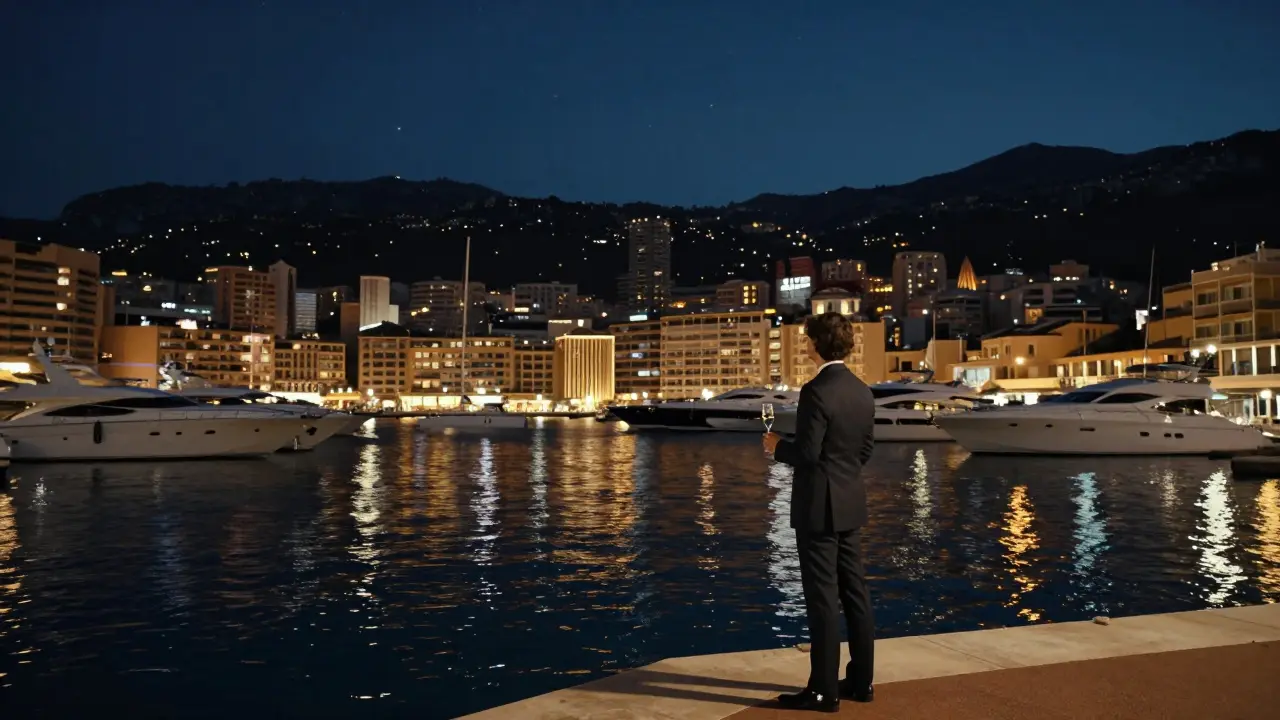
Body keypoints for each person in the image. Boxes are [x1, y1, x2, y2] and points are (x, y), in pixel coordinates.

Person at [763, 312, 876, 713]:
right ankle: (861, 682)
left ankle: (824, 690)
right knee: (856, 593)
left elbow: (808, 453)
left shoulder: (816, 391)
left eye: (807, 337)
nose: (804, 343)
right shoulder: (862, 391)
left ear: (816, 344)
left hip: (818, 507)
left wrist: (778, 447)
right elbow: (864, 450)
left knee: (822, 598)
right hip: (850, 501)